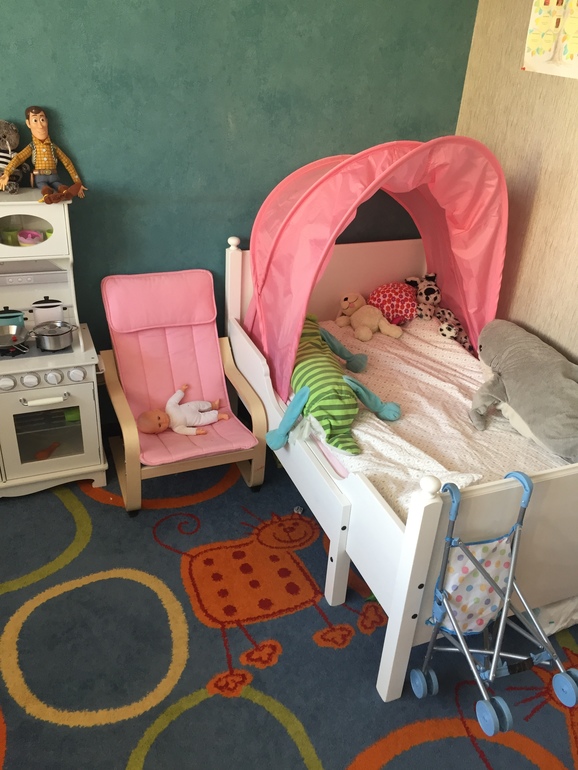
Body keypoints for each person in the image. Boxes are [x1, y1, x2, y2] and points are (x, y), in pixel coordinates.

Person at [0, 106, 87, 204]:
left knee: (59, 186)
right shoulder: (32, 147)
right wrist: (7, 173)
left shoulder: (53, 147)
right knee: (44, 188)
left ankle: (65, 193)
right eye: (35, 121)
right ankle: (48, 196)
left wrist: (78, 183)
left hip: (54, 176)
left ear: (47, 121)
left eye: (42, 120)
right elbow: (19, 158)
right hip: (40, 178)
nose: (40, 126)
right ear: (28, 123)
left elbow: (67, 163)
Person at [136, 385, 229, 436]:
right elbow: (186, 430)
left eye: (159, 418)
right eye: (159, 425)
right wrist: (196, 432)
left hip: (190, 407)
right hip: (196, 419)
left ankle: (213, 405)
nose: (163, 421)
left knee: (199, 403)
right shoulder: (176, 428)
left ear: (157, 411)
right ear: (158, 432)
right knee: (204, 419)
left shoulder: (169, 407)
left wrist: (181, 390)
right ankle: (218, 416)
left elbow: (175, 399)